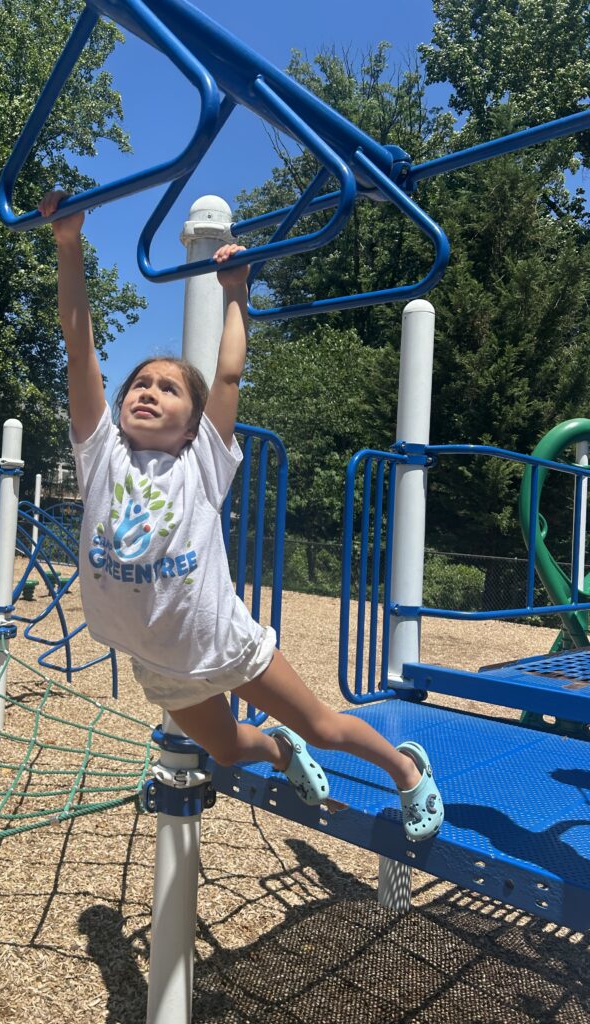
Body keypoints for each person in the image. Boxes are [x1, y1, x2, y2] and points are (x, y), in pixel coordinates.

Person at [38, 189, 444, 842]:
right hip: (159, 663)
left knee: (325, 726)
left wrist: (236, 292)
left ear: (192, 424)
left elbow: (226, 376)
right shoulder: (100, 455)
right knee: (227, 749)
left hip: (225, 645)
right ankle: (281, 752)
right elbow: (79, 346)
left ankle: (406, 769)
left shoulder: (201, 462)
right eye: (140, 383)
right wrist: (68, 244)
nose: (149, 391)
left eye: (168, 388)